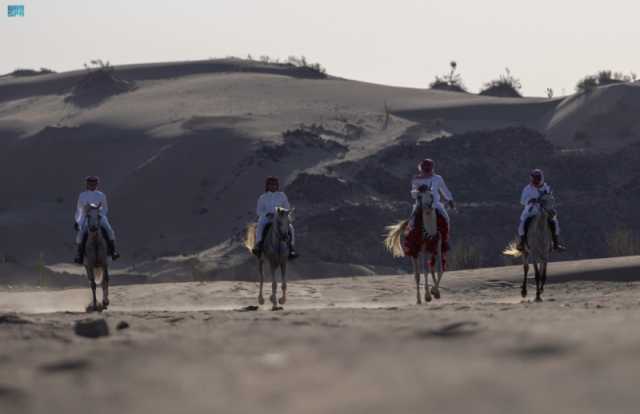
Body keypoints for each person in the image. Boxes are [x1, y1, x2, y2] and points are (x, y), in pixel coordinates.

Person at [409, 158, 455, 249]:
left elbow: (444, 189)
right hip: (420, 205)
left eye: (428, 168)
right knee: (412, 222)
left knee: (446, 219)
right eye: (425, 168)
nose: (427, 170)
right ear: (421, 168)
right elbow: (413, 194)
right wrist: (418, 190)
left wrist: (450, 199)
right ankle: (413, 244)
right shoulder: (416, 179)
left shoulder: (437, 178)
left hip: (435, 204)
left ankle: (444, 241)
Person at [516, 169, 566, 252]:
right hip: (531, 211)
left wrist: (547, 201)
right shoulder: (527, 189)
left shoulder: (546, 187)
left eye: (537, 178)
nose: (535, 180)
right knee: (523, 224)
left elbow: (551, 198)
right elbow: (522, 200)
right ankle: (522, 243)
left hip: (544, 209)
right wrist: (530, 200)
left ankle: (555, 243)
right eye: (533, 178)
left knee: (554, 222)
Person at [74, 176, 120, 264]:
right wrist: (77, 221)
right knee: (80, 235)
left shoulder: (101, 195)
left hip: (99, 217)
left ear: (97, 184)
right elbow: (79, 209)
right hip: (86, 217)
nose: (92, 186)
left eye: (94, 184)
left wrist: (100, 215)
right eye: (90, 184)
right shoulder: (82, 195)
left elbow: (105, 208)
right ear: (87, 184)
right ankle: (79, 255)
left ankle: (113, 251)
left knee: (110, 231)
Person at [252, 176, 298, 259]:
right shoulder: (262, 197)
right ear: (267, 186)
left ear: (277, 185)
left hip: (279, 217)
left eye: (274, 184)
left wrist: (280, 212)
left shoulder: (282, 195)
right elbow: (258, 211)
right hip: (266, 218)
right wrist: (266, 214)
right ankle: (258, 246)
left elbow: (287, 207)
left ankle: (291, 248)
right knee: (259, 227)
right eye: (271, 184)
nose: (273, 186)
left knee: (291, 228)